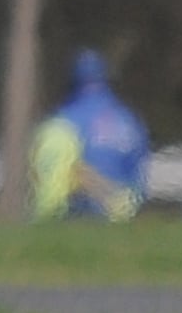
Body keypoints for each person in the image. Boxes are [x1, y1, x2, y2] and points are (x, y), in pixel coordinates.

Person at [28, 49, 151, 220]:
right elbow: (139, 173)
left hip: (76, 212)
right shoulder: (129, 119)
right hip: (124, 213)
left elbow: (68, 171)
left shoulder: (64, 121)